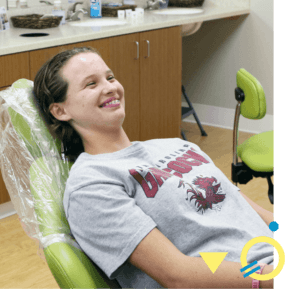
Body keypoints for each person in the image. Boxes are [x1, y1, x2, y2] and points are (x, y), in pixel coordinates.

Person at [33, 47, 275, 289]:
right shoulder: (92, 185)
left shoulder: (175, 145)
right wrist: (265, 279)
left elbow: (247, 210)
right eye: (91, 84)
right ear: (60, 110)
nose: (110, 87)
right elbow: (178, 275)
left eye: (110, 77)